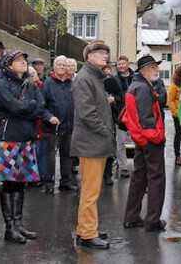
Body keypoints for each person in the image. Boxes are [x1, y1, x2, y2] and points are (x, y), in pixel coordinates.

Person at [0, 50, 57, 244]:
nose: (23, 63)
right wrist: (28, 108)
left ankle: (18, 223)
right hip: (9, 139)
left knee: (21, 183)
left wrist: (27, 108)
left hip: (26, 139)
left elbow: (40, 107)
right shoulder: (2, 85)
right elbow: (15, 108)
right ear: (9, 65)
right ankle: (9, 227)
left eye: (23, 60)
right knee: (9, 183)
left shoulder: (30, 85)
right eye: (18, 60)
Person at [71, 41, 116, 249]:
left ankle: (85, 228)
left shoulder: (94, 77)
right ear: (89, 56)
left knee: (92, 190)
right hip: (91, 142)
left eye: (106, 53)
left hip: (94, 141)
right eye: (100, 53)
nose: (105, 56)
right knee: (90, 191)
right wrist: (105, 131)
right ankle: (88, 233)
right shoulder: (85, 78)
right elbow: (86, 112)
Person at [123, 55, 167, 231]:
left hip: (141, 140)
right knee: (156, 180)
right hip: (149, 141)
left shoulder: (137, 85)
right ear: (144, 70)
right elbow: (146, 119)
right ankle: (152, 221)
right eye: (154, 67)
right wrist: (158, 137)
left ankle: (132, 217)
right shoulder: (142, 87)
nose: (157, 69)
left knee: (139, 178)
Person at [41, 56, 77, 194]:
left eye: (64, 65)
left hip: (68, 126)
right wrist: (49, 117)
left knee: (67, 156)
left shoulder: (71, 83)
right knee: (50, 156)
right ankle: (48, 183)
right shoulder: (47, 84)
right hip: (52, 128)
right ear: (54, 67)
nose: (62, 67)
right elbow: (41, 106)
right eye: (59, 64)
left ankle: (66, 182)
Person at [102, 64, 123, 185]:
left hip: (110, 117)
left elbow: (120, 96)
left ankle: (108, 175)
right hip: (96, 118)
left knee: (109, 146)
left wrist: (113, 99)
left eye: (107, 70)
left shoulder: (112, 81)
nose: (106, 72)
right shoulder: (93, 81)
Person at [114, 56, 134, 177]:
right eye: (119, 64)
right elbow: (113, 95)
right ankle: (123, 167)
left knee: (137, 141)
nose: (121, 66)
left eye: (123, 64)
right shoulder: (114, 79)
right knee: (120, 142)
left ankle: (138, 166)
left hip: (134, 115)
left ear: (128, 64)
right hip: (120, 115)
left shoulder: (136, 78)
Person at [167, 66, 181, 166]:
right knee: (179, 135)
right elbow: (170, 100)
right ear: (180, 75)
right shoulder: (174, 85)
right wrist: (176, 113)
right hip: (178, 113)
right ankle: (177, 156)